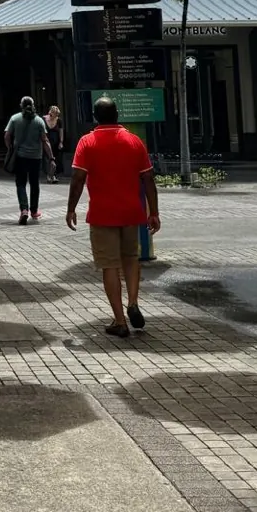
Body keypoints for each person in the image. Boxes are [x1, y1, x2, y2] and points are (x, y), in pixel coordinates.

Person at [66, 96, 160, 338]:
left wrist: (71, 208)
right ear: (117, 115)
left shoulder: (87, 142)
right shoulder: (134, 141)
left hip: (102, 214)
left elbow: (77, 179)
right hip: (131, 212)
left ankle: (120, 321)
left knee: (110, 265)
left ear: (95, 117)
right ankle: (133, 302)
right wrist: (155, 212)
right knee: (131, 259)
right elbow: (148, 178)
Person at [4, 96, 53, 225]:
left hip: (20, 156)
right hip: (36, 158)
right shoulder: (39, 121)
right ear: (33, 105)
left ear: (21, 105)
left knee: (20, 183)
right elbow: (45, 140)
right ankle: (34, 210)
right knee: (34, 184)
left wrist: (10, 147)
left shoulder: (14, 119)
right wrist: (51, 157)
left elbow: (7, 135)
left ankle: (24, 209)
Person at [44, 105, 64, 184]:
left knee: (56, 159)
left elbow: (61, 131)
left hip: (55, 143)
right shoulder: (44, 119)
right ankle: (49, 175)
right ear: (50, 113)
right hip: (46, 142)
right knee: (48, 159)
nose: (55, 116)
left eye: (57, 115)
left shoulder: (59, 120)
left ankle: (53, 175)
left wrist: (61, 142)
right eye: (54, 114)